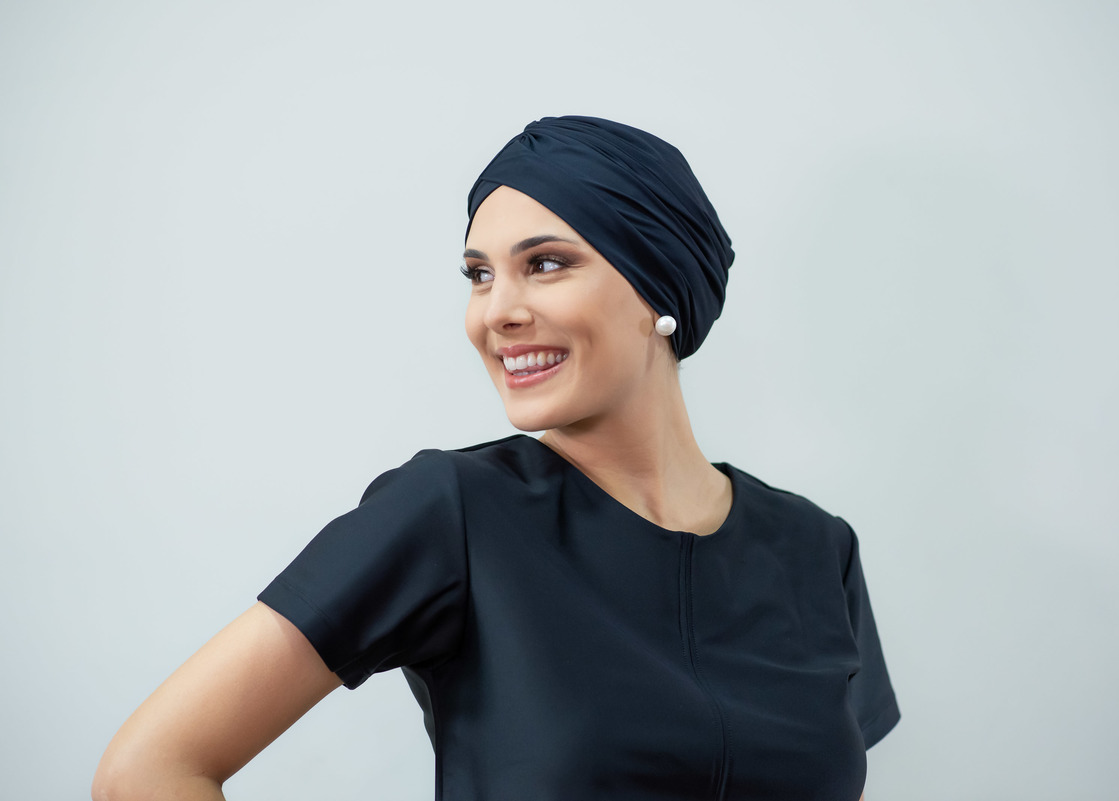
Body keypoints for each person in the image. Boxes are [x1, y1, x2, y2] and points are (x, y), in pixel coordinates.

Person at [93, 116, 899, 801]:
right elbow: (147, 769)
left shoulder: (816, 549)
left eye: (545, 263)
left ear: (660, 284)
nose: (496, 312)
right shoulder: (453, 512)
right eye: (480, 275)